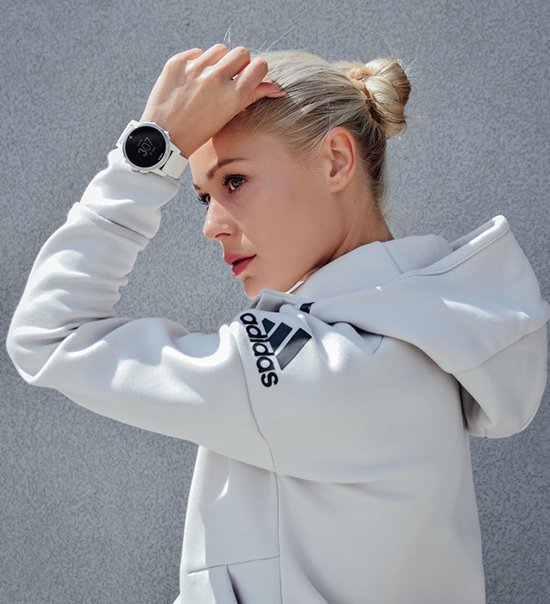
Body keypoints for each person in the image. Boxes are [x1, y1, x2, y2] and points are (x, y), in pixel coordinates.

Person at [6, 44, 549, 604]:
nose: (211, 226)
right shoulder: (412, 338)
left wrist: (150, 152)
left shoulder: (337, 369)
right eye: (203, 198)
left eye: (235, 181)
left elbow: (51, 334)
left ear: (335, 160)